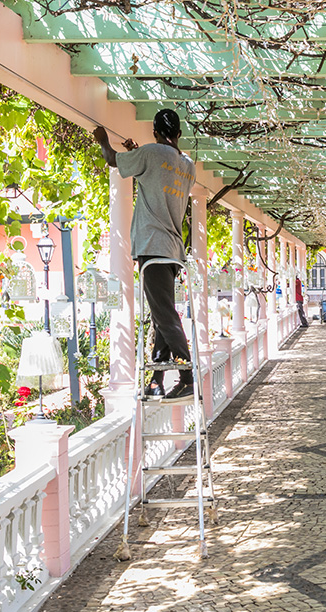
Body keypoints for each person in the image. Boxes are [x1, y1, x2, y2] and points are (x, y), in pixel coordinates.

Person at [93, 109, 196, 399]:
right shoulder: (188, 166)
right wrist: (138, 153)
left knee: (165, 316)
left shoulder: (151, 153)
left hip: (153, 247)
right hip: (173, 250)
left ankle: (188, 378)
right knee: (162, 313)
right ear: (179, 133)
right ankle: (156, 381)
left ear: (154, 133)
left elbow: (112, 159)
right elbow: (157, 174)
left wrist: (103, 140)